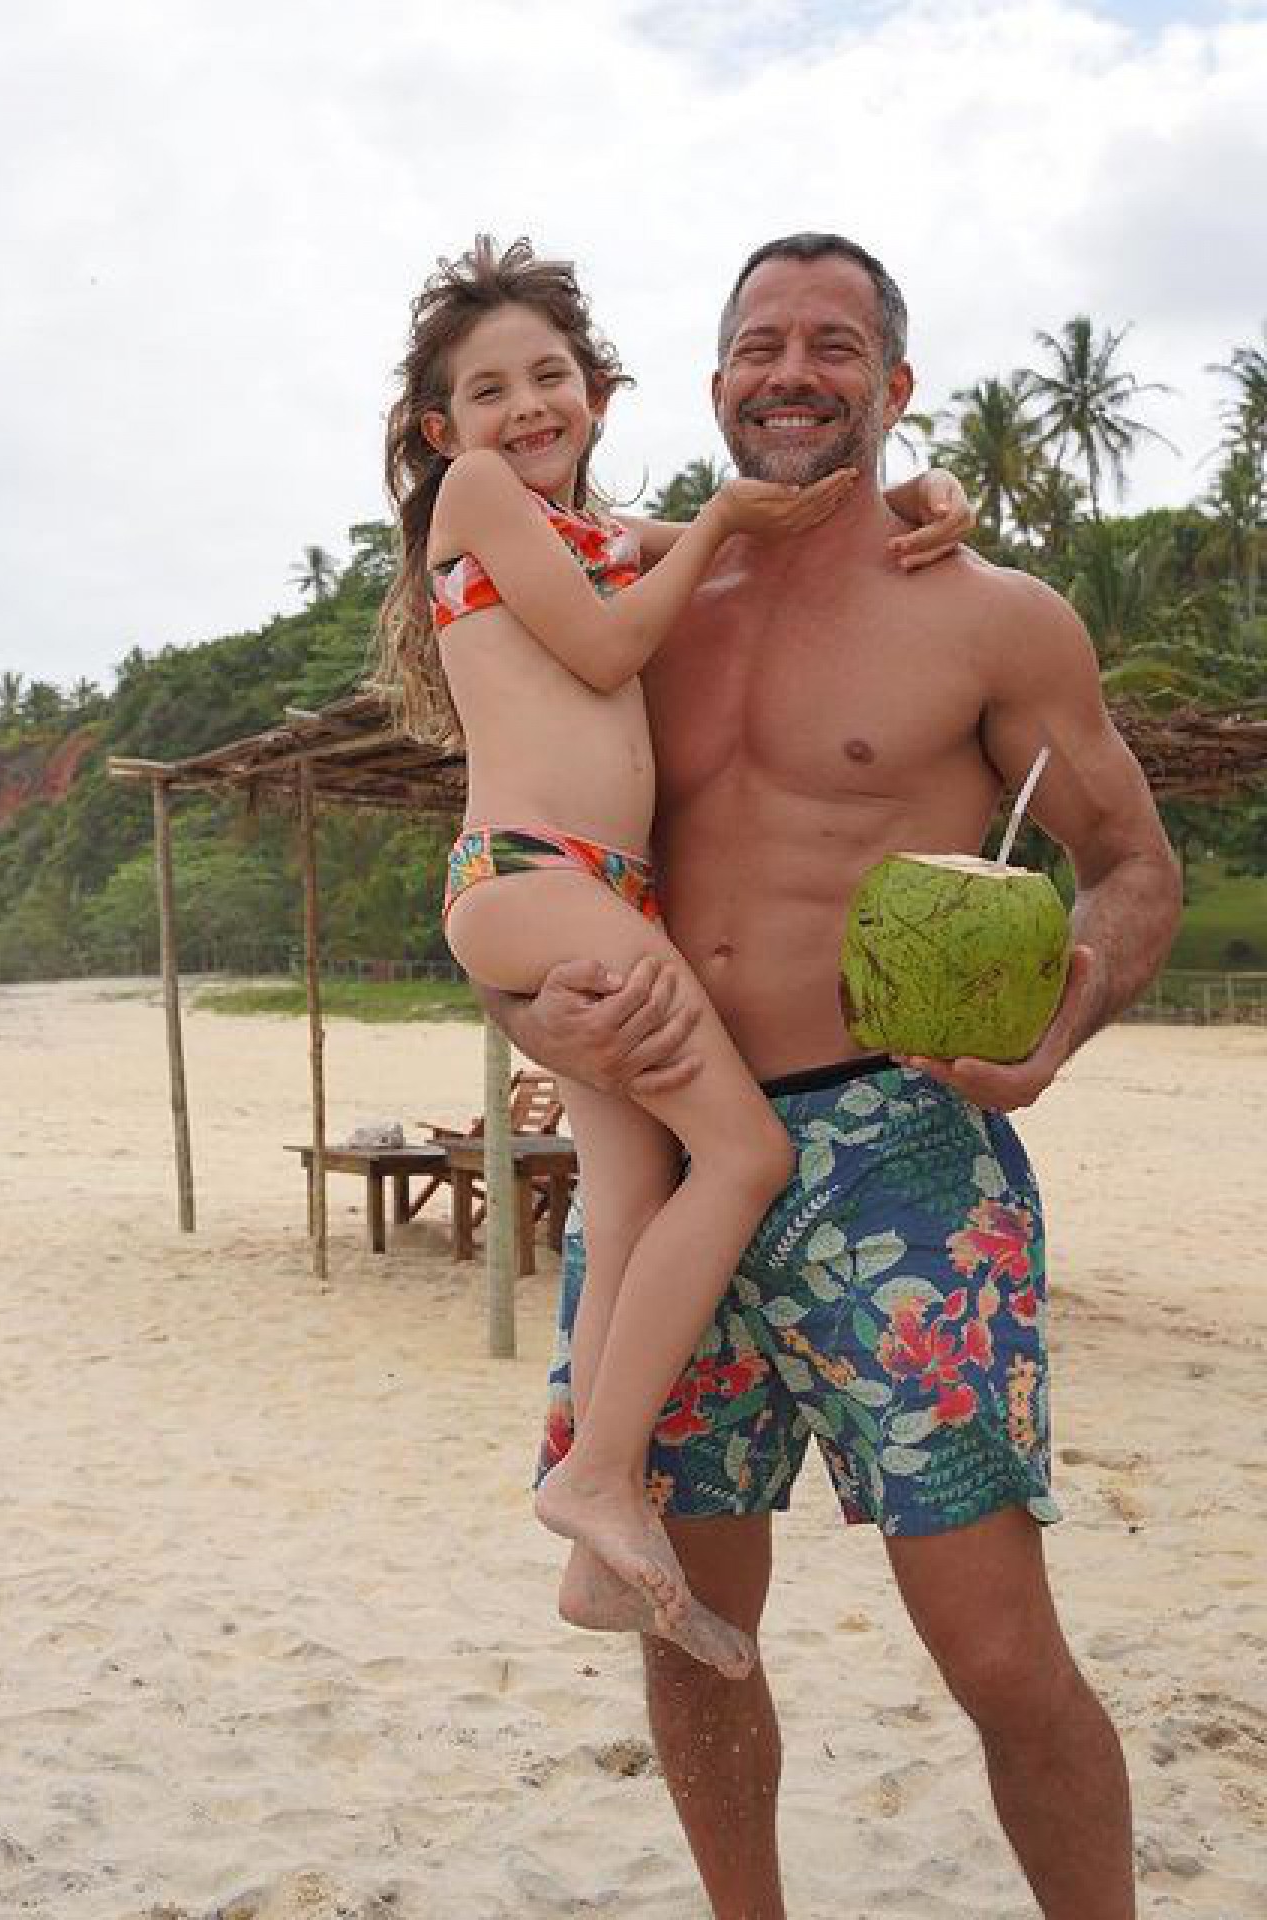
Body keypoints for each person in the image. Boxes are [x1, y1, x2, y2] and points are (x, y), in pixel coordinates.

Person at [484, 233, 1178, 1919]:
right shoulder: (623, 599)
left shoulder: (995, 615)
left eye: (834, 344)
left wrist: (1053, 1035)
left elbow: (1133, 864)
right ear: (712, 380)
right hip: (668, 1140)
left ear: (896, 384)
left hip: (896, 1152)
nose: (793, 371)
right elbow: (524, 833)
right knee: (691, 1626)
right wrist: (533, 1026)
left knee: (997, 1651)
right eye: (758, 343)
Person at [376, 236, 969, 1681]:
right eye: (492, 387)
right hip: (534, 877)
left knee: (635, 1188)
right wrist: (705, 528)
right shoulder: (480, 502)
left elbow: (787, 531)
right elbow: (602, 644)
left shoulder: (598, 526)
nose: (529, 406)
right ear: (445, 430)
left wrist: (922, 497)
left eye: (553, 376)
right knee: (746, 1156)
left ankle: (598, 1533)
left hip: (595, 889)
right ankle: (593, 1471)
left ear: (597, 391)